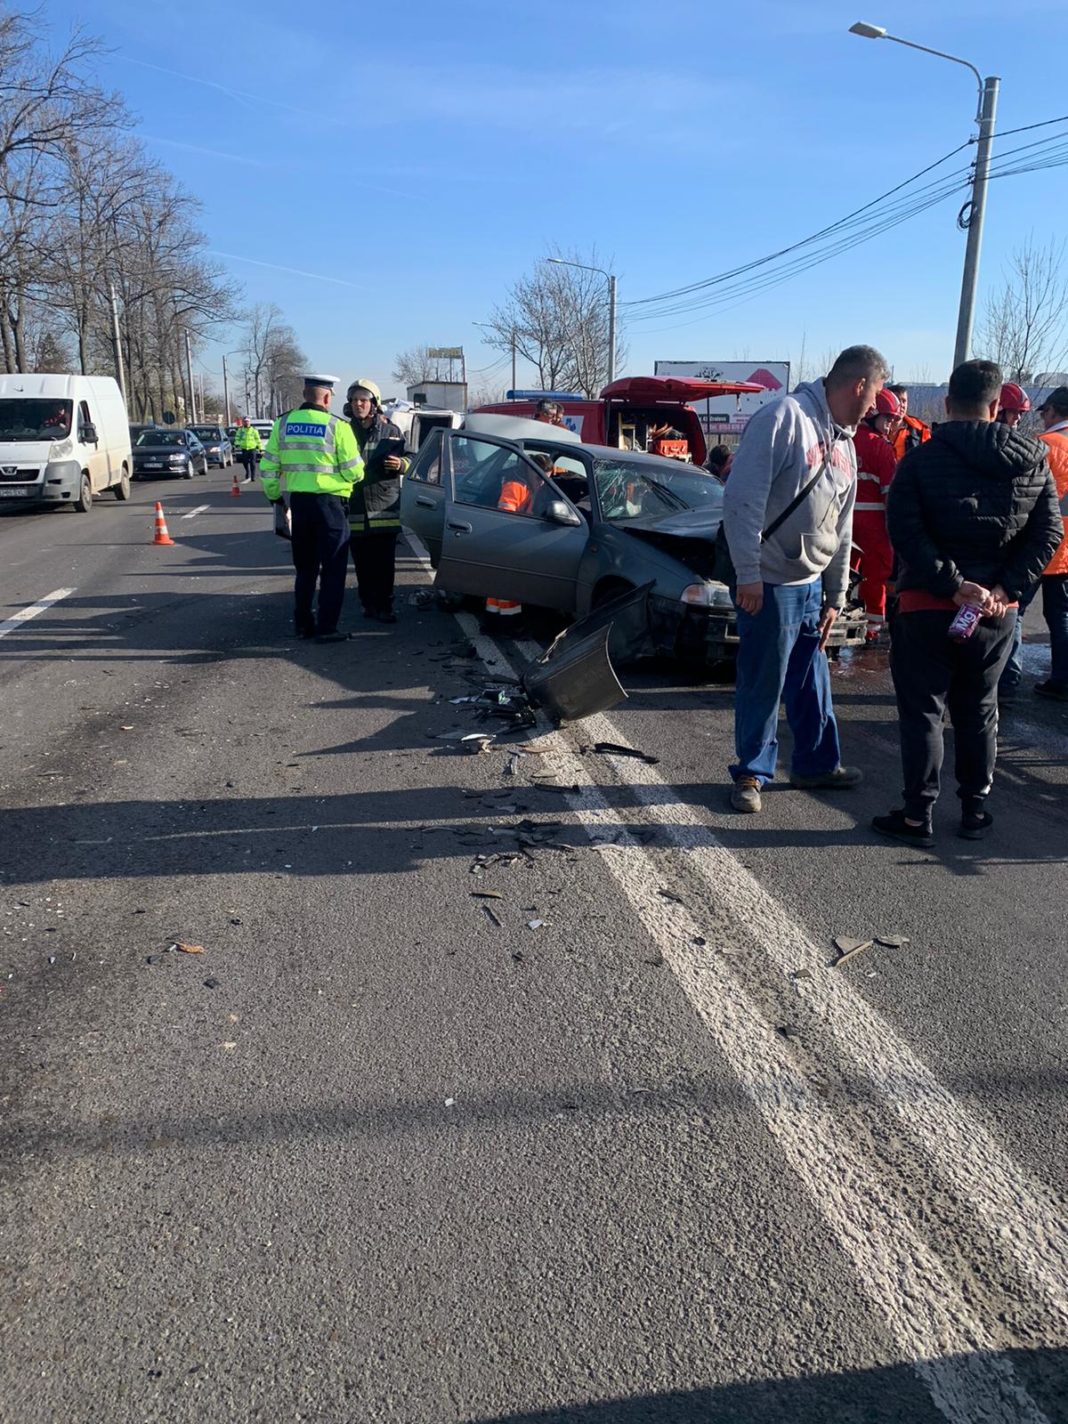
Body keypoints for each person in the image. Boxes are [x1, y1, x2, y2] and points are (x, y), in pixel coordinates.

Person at [873, 360, 1061, 847]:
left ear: (949, 404)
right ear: (998, 406)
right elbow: (1048, 534)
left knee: (923, 712)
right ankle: (975, 809)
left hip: (926, 605)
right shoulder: (1033, 458)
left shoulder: (920, 459)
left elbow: (906, 531)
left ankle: (918, 815)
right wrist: (1003, 588)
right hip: (998, 614)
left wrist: (953, 585)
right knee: (980, 709)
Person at [723, 344, 889, 814]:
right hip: (770, 583)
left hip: (813, 586)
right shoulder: (784, 417)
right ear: (858, 384)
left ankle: (817, 762)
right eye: (875, 393)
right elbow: (742, 499)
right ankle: (752, 773)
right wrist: (749, 574)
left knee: (810, 678)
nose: (877, 406)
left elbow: (843, 523)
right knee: (763, 679)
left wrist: (837, 591)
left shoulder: (846, 442)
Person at [260, 374, 365, 642]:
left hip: (300, 505)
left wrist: (276, 499)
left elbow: (269, 467)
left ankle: (303, 625)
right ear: (327, 397)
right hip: (331, 505)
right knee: (333, 568)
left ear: (305, 394)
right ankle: (327, 628)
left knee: (305, 569)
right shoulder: (337, 426)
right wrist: (344, 479)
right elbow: (355, 471)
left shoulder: (283, 424)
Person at [344, 378, 409, 624]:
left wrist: (402, 464)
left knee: (384, 565)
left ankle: (385, 606)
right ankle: (367, 603)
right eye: (354, 400)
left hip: (384, 508)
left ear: (374, 404)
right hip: (355, 508)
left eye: (363, 400)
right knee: (362, 564)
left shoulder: (391, 430)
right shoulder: (343, 431)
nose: (358, 404)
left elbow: (412, 457)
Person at [852, 387, 900, 643]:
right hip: (875, 521)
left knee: (844, 571)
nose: (891, 423)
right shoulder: (881, 447)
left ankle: (838, 614)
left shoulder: (845, 439)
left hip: (843, 519)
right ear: (872, 414)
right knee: (877, 573)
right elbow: (890, 493)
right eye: (888, 418)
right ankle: (872, 627)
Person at [1030, 387, 1068, 700]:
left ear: (1053, 411)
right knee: (1061, 617)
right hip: (1067, 553)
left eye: (1044, 413)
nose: (1042, 419)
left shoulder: (1044, 446)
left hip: (1039, 544)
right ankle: (1062, 680)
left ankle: (1005, 682)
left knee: (1012, 613)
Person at [482, 456, 541, 633]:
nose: (542, 481)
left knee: (498, 588)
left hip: (506, 538)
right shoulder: (515, 485)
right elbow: (505, 514)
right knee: (509, 586)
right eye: (540, 477)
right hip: (508, 538)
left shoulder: (525, 484)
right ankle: (510, 626)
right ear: (531, 470)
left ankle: (491, 623)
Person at [888, 384, 931, 461]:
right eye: (897, 400)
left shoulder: (919, 430)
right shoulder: (875, 428)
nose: (901, 405)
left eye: (904, 401)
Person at [233, 418, 262, 482]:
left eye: (248, 421)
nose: (246, 423)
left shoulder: (254, 430)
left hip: (252, 448)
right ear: (243, 422)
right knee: (245, 462)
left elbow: (258, 439)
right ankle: (247, 472)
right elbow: (237, 438)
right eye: (245, 422)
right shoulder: (240, 430)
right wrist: (237, 444)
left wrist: (260, 448)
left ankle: (253, 476)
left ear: (250, 422)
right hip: (244, 448)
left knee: (253, 463)